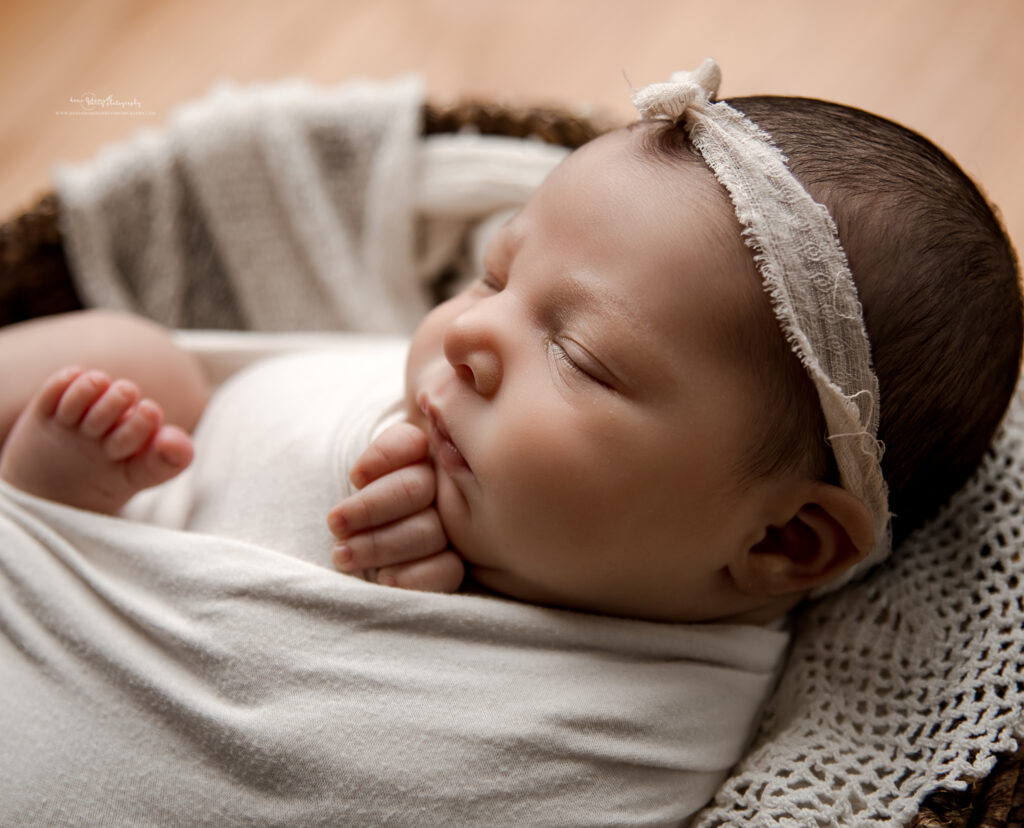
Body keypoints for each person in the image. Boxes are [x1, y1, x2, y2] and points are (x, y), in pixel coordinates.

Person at [1, 66, 1020, 628]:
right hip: (136, 499)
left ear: (778, 543)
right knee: (139, 359)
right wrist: (68, 499)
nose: (472, 332)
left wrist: (386, 631)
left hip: (78, 619)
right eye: (492, 272)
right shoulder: (466, 447)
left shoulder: (622, 725)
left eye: (577, 357)